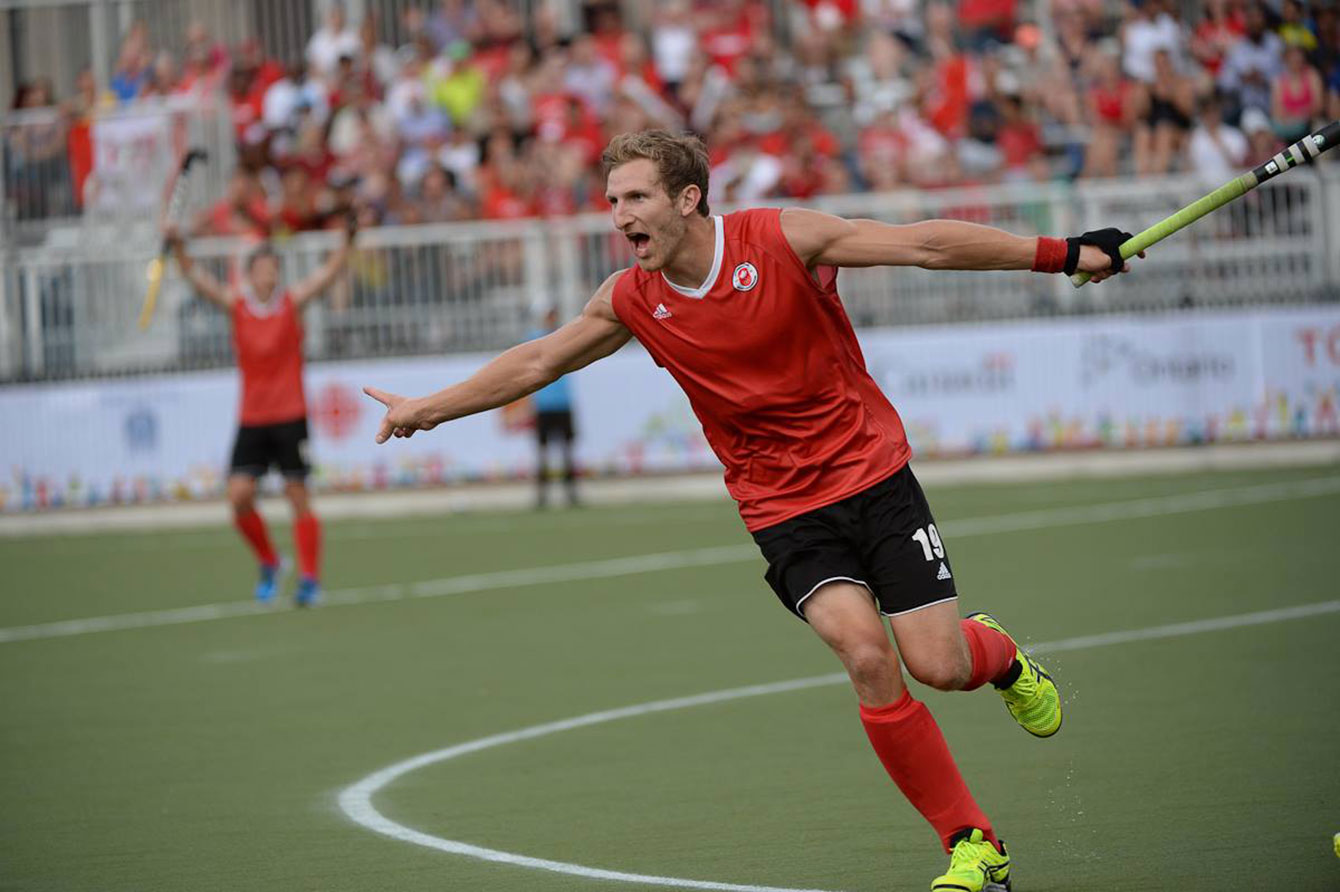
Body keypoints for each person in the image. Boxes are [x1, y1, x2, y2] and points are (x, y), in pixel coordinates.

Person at [362, 130, 1137, 892]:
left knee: (939, 665)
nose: (620, 216)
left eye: (636, 197)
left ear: (688, 198)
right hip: (781, 508)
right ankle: (973, 845)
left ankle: (996, 656)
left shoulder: (780, 237)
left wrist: (1064, 252)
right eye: (612, 201)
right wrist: (429, 408)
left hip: (873, 476)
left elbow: (924, 245)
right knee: (866, 657)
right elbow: (536, 359)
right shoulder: (633, 297)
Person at [166, 218, 356, 607]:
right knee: (238, 496)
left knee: (297, 495)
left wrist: (348, 239)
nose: (268, 274)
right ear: (249, 274)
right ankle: (270, 561)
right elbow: (195, 279)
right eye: (261, 268)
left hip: (290, 415)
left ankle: (309, 579)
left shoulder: (292, 302)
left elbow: (330, 271)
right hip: (252, 418)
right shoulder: (237, 305)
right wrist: (178, 246)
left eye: (273, 268)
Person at [527, 306, 579, 509]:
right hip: (544, 404)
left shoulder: (565, 336)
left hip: (563, 403)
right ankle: (542, 495)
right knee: (543, 453)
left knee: (567, 451)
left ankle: (571, 493)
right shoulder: (535, 339)